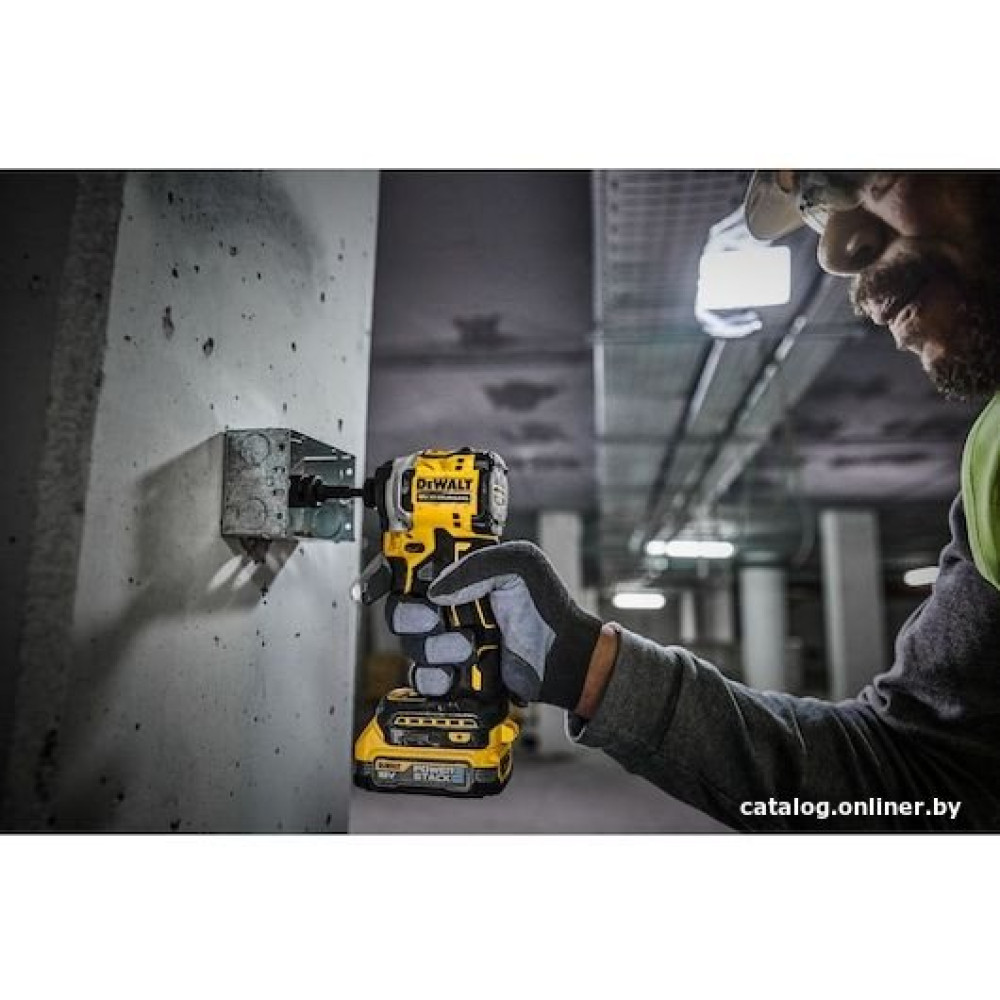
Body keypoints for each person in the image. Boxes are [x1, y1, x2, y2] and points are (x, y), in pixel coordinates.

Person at [389, 172, 1000, 831]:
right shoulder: (991, 462)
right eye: (820, 210)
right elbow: (918, 776)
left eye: (867, 173)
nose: (836, 250)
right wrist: (584, 664)